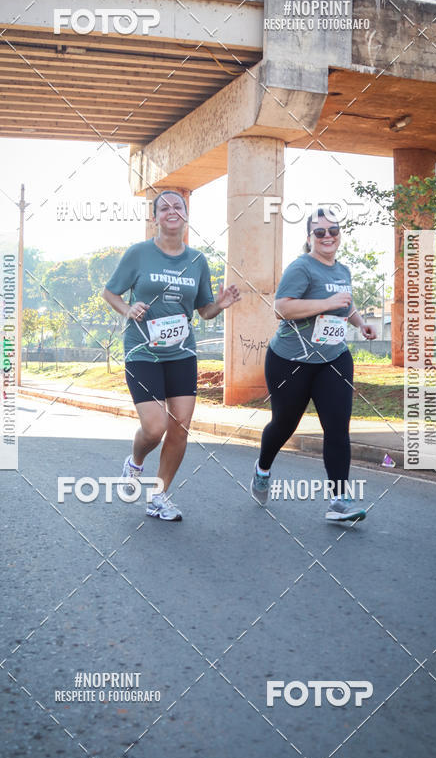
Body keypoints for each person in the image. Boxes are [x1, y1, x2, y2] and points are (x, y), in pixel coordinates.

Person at [102, 190, 240, 521]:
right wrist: (127, 308)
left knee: (179, 428)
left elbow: (204, 310)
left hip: (181, 352)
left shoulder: (198, 261)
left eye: (178, 206)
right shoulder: (139, 254)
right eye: (164, 207)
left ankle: (158, 497)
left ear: (186, 215)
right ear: (155, 218)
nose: (172, 211)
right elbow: (110, 292)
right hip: (142, 350)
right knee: (154, 427)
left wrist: (219, 305)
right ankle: (135, 461)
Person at [251, 209, 377, 521]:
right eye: (319, 232)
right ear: (309, 238)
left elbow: (346, 304)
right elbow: (281, 308)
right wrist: (327, 304)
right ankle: (262, 468)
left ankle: (339, 501)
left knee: (337, 427)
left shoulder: (343, 270)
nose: (327, 236)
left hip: (333, 358)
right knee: (284, 424)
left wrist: (360, 323)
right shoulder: (301, 268)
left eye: (333, 230)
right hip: (290, 361)